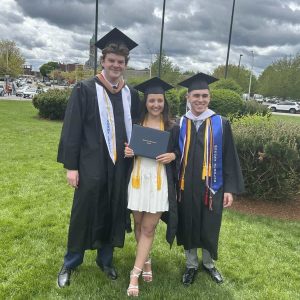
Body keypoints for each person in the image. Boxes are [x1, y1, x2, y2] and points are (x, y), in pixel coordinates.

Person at [56, 28, 141, 288]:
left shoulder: (131, 95)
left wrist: (135, 148)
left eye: (121, 62)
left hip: (120, 166)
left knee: (114, 208)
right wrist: (72, 167)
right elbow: (72, 129)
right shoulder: (85, 89)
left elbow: (137, 127)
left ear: (125, 65)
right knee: (84, 212)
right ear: (103, 61)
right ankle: (71, 262)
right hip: (91, 163)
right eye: (111, 60)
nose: (116, 65)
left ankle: (106, 260)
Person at [176, 73, 245, 286]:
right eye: (196, 95)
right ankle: (190, 264)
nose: (200, 100)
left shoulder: (221, 123)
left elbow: (230, 157)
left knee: (209, 225)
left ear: (210, 97)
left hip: (212, 186)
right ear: (188, 97)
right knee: (188, 223)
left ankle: (208, 263)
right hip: (186, 186)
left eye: (204, 95)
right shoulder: (180, 123)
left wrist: (229, 189)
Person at [124, 77, 178, 297]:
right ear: (145, 102)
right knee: (138, 223)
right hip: (137, 179)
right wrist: (128, 151)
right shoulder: (134, 124)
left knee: (148, 228)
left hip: (158, 182)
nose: (156, 105)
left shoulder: (172, 126)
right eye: (152, 100)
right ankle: (146, 261)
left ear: (165, 102)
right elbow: (126, 147)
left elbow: (181, 152)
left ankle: (134, 274)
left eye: (160, 101)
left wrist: (173, 155)